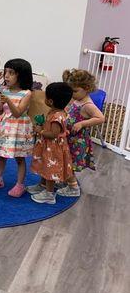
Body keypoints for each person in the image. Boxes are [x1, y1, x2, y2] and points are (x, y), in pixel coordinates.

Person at [0, 59, 35, 197]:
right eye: (6, 72)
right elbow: (0, 110)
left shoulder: (27, 93)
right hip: (5, 127)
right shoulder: (5, 90)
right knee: (1, 155)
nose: (6, 76)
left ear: (21, 75)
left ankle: (20, 185)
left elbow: (18, 113)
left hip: (18, 129)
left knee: (19, 157)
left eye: (11, 73)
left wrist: (9, 101)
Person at [58, 69, 105, 197]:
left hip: (77, 141)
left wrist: (82, 123)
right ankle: (66, 182)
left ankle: (73, 188)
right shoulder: (77, 100)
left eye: (75, 91)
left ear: (87, 88)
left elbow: (101, 118)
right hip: (70, 138)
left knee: (70, 163)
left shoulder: (88, 105)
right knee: (65, 161)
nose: (72, 94)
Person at [27, 82, 74, 204]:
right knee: (45, 165)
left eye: (46, 97)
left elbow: (53, 134)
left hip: (53, 148)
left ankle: (49, 194)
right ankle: (42, 185)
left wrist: (40, 130)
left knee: (50, 168)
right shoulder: (54, 112)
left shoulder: (57, 116)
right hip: (47, 146)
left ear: (51, 101)